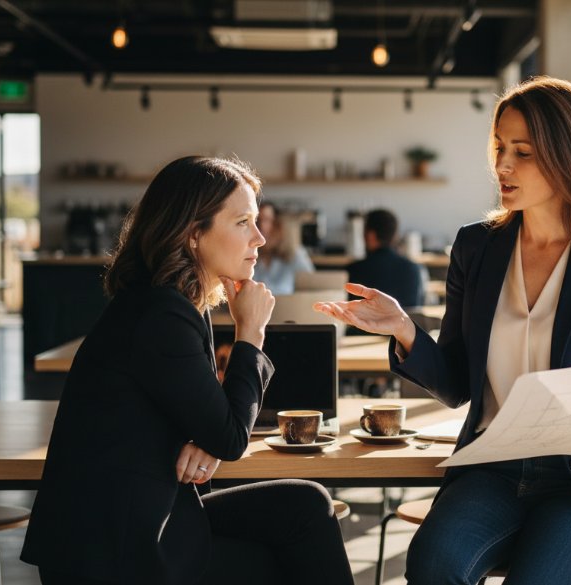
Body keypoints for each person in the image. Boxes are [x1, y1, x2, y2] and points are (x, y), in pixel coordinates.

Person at [315, 77, 571, 584]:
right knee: (431, 566)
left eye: (522, 152)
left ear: (568, 155)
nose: (502, 165)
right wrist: (404, 329)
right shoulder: (476, 249)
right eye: (500, 148)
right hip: (494, 468)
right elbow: (458, 382)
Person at [21, 156, 354, 585]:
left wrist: (207, 437)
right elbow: (231, 435)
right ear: (193, 234)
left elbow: (212, 423)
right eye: (242, 222)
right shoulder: (161, 314)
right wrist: (250, 331)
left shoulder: (165, 303)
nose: (259, 237)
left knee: (306, 504)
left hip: (142, 517)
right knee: (284, 556)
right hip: (116, 553)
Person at [345, 208, 424, 309]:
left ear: (370, 236)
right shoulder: (415, 269)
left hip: (365, 325)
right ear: (395, 235)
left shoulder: (354, 270)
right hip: (405, 324)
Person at [252, 200, 315, 294]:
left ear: (278, 225)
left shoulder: (295, 253)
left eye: (267, 220)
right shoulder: (248, 255)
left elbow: (312, 284)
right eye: (256, 221)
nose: (261, 227)